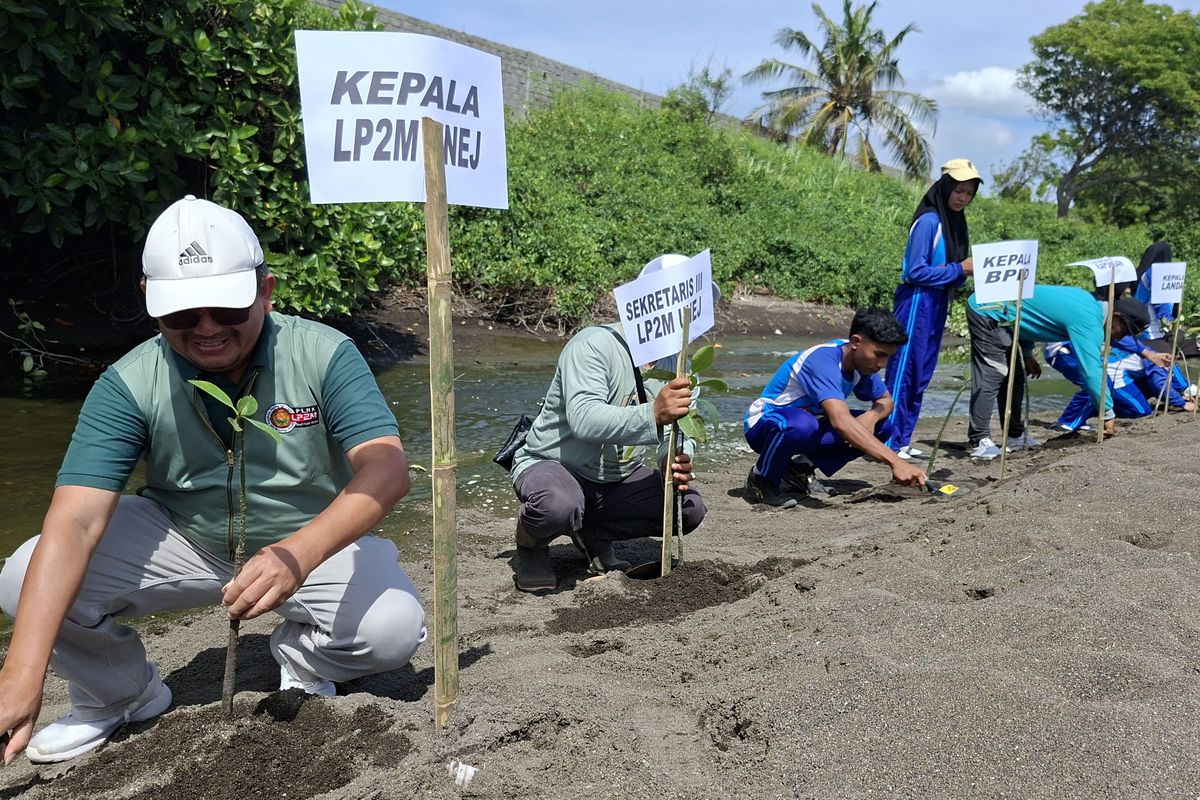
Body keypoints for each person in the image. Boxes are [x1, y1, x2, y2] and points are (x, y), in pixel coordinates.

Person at [0, 196, 426, 764]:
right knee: (23, 574)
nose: (206, 330)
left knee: (393, 629)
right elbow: (76, 519)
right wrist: (21, 674)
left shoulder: (325, 354)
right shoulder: (127, 383)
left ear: (265, 292)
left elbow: (386, 468)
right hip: (185, 536)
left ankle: (303, 658)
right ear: (150, 302)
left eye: (227, 309)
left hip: (311, 542)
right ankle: (119, 694)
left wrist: (295, 553)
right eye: (183, 314)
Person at [508, 255, 712, 593]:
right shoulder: (593, 344)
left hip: (614, 477)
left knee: (687, 508)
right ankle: (531, 546)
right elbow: (584, 419)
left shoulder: (680, 365)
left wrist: (672, 457)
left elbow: (679, 430)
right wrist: (653, 414)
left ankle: (594, 533)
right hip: (556, 464)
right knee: (558, 504)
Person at [743, 307, 926, 508]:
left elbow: (885, 401)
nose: (882, 364)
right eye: (879, 355)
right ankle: (761, 479)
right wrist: (896, 461)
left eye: (888, 358)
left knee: (883, 427)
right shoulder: (822, 361)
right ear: (856, 342)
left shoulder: (861, 365)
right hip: (764, 424)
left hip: (805, 426)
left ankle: (798, 470)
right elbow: (840, 421)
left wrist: (871, 418)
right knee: (804, 424)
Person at [884, 158, 981, 461]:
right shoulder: (928, 222)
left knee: (922, 373)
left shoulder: (954, 222)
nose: (962, 198)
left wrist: (962, 273)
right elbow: (915, 271)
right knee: (903, 371)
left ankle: (902, 439)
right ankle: (887, 440)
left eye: (968, 193)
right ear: (945, 187)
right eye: (958, 191)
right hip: (916, 301)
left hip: (936, 302)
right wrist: (958, 269)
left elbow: (951, 270)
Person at [967, 284, 1121, 455]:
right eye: (1126, 331)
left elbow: (1030, 312)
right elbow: (1091, 371)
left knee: (1015, 377)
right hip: (987, 309)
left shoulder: (1088, 302)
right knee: (993, 372)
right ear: (1116, 317)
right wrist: (1107, 412)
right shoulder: (1089, 320)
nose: (1123, 337)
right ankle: (979, 439)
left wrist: (1026, 353)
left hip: (1007, 315)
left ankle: (1014, 434)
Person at [1049, 299, 1194, 428]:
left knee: (1100, 385)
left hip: (1080, 351)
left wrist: (1185, 394)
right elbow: (1159, 383)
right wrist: (1183, 404)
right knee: (1097, 383)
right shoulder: (1099, 323)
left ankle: (1086, 414)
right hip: (1064, 349)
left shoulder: (1156, 352)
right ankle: (1068, 422)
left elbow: (1175, 379)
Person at [1133, 241, 1175, 341]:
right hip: (1154, 332)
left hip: (1139, 326)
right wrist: (1170, 321)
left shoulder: (1141, 272)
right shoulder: (1155, 273)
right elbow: (1161, 303)